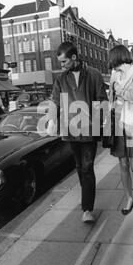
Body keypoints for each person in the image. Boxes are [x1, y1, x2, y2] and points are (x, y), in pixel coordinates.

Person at [51, 42, 108, 223]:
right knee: (78, 166)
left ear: (74, 57)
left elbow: (102, 100)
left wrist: (105, 122)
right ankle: (87, 193)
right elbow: (55, 102)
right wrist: (52, 121)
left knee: (87, 166)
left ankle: (87, 209)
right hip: (70, 129)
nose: (61, 65)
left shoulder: (94, 74)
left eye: (63, 61)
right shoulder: (60, 79)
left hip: (90, 129)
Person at [108, 45, 133, 216]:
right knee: (122, 163)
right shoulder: (114, 74)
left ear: (117, 57)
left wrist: (119, 91)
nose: (111, 66)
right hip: (117, 121)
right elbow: (111, 96)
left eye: (111, 60)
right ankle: (128, 198)